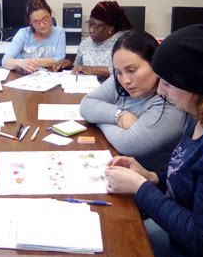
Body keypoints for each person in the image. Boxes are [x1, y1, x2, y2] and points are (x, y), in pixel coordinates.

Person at [104, 25, 203, 257]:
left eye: (167, 83)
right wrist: (153, 177)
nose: (161, 91)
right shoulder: (200, 113)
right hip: (187, 238)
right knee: (115, 242)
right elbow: (191, 175)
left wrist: (141, 187)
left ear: (195, 84)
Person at [80, 30, 187, 173]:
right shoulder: (120, 79)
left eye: (132, 70)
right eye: (118, 72)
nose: (125, 80)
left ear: (155, 63)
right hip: (117, 166)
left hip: (148, 184)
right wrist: (119, 116)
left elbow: (128, 144)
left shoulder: (170, 101)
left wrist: (98, 119)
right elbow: (86, 105)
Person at [53, 1, 132, 77]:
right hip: (85, 88)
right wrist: (69, 65)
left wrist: (94, 70)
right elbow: (78, 68)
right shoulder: (85, 44)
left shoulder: (125, 44)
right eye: (90, 24)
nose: (91, 30)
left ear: (111, 27)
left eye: (96, 26)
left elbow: (127, 71)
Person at [2, 0, 66, 73]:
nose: (42, 25)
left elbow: (60, 60)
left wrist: (32, 61)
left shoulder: (59, 33)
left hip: (48, 77)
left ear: (50, 15)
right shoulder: (23, 34)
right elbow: (5, 61)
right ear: (30, 22)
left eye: (45, 19)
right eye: (36, 22)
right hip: (24, 77)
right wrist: (21, 63)